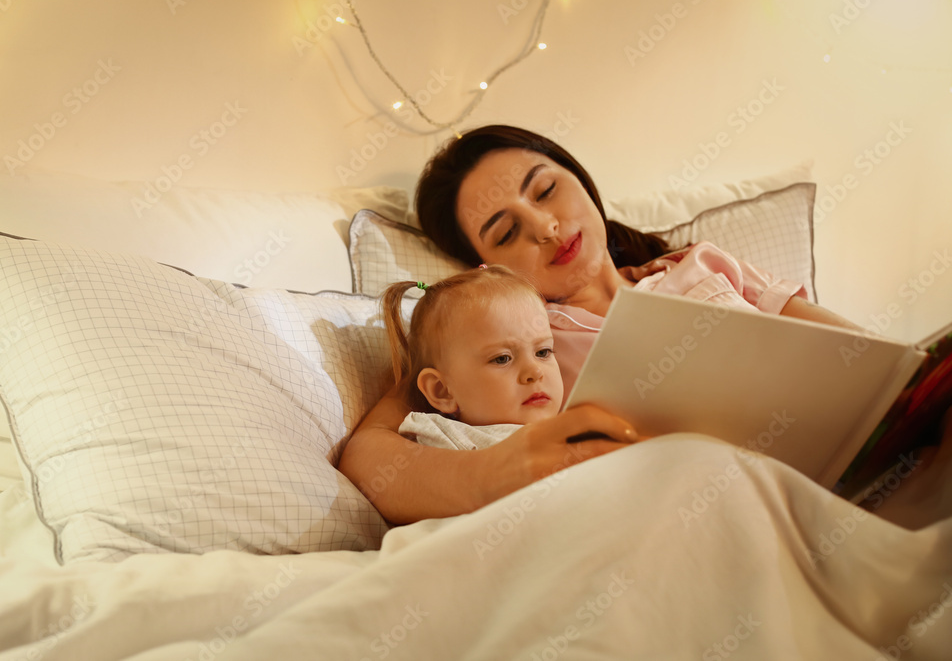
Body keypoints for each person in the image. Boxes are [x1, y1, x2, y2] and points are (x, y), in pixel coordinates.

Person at [339, 124, 860, 525]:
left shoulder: (706, 265)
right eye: (506, 232)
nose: (545, 227)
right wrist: (494, 474)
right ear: (484, 266)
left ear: (581, 181)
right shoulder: (510, 345)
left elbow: (859, 353)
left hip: (847, 471)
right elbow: (369, 455)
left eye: (544, 191)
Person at [381, 264, 616, 452]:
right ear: (443, 390)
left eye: (543, 352)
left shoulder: (575, 425)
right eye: (502, 359)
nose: (535, 372)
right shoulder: (444, 440)